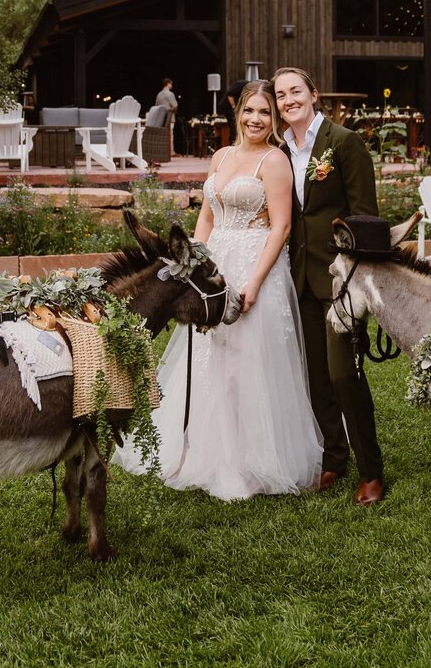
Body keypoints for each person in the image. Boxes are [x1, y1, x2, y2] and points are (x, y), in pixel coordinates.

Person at [115, 80, 322, 500]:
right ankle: (203, 450)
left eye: (265, 112)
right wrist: (192, 265)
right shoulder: (222, 156)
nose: (256, 119)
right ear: (238, 112)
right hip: (212, 266)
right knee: (211, 358)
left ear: (275, 118)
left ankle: (248, 460)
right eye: (250, 111)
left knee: (246, 361)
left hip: (253, 264)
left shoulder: (274, 160)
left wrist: (254, 283)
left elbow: (281, 227)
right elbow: (206, 218)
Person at [273, 66, 384, 506]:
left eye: (295, 91)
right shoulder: (280, 150)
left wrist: (358, 280)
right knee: (315, 377)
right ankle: (334, 458)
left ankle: (371, 470)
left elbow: (366, 219)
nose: (288, 101)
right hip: (298, 278)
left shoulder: (343, 143)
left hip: (340, 279)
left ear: (313, 94)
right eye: (280, 95)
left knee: (344, 375)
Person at [155, 77, 179, 155]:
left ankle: (162, 152)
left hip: (160, 118)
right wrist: (172, 110)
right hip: (169, 117)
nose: (171, 85)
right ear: (168, 84)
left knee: (162, 136)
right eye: (171, 83)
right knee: (170, 135)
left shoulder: (159, 94)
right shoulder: (170, 94)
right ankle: (171, 152)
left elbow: (156, 106)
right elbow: (175, 105)